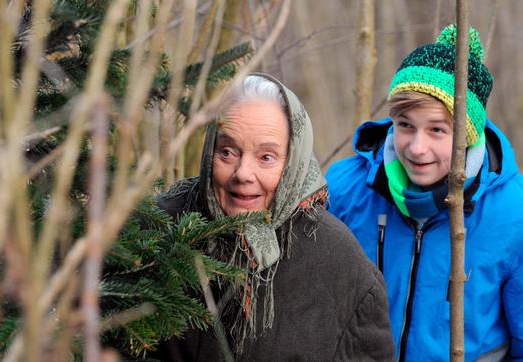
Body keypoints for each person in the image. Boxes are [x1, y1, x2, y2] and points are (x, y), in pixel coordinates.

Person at [326, 25, 523, 361]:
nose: (417, 148)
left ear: (468, 133)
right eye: (405, 125)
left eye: (437, 130)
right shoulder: (344, 188)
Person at [154, 73, 395, 361]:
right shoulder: (158, 230)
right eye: (228, 152)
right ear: (209, 152)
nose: (243, 173)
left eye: (266, 157)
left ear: (293, 162)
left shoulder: (342, 268)